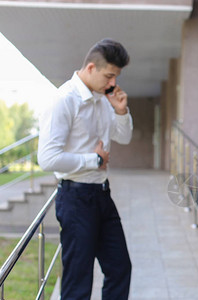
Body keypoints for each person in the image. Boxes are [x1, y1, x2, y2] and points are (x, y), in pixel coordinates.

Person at [38, 38, 133, 300]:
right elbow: (46, 158)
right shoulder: (64, 100)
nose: (112, 83)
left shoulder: (104, 101)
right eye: (109, 75)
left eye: (116, 77)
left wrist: (122, 112)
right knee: (78, 279)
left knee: (120, 268)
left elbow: (124, 138)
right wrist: (93, 160)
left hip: (102, 195)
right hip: (75, 198)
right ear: (91, 68)